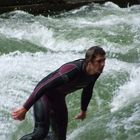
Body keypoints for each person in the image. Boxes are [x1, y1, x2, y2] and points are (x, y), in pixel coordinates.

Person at [12, 46, 106, 140]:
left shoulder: (95, 72)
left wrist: (83, 110)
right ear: (89, 61)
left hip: (59, 99)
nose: (103, 64)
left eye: (104, 60)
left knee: (60, 138)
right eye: (99, 61)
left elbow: (88, 89)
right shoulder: (72, 70)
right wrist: (24, 108)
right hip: (44, 96)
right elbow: (43, 86)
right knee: (40, 133)